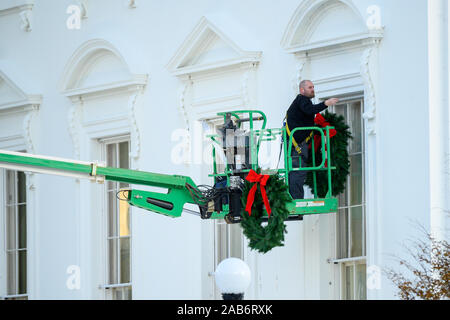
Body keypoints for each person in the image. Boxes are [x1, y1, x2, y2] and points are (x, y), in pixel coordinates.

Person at [286, 80, 339, 199]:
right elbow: (310, 110)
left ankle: (296, 198)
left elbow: (306, 116)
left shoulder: (302, 101)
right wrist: (326, 103)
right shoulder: (302, 100)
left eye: (313, 87)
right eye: (310, 87)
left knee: (298, 171)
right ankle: (296, 200)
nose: (312, 89)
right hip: (297, 144)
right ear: (302, 90)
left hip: (298, 143)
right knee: (297, 171)